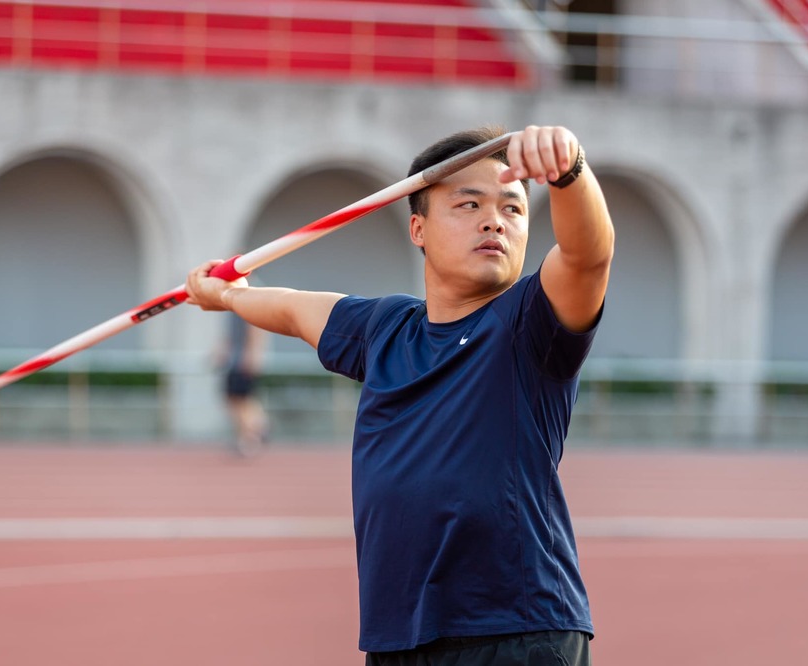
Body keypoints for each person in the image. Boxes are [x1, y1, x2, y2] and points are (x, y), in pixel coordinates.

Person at [186, 125, 614, 665]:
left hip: (517, 631)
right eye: (469, 203)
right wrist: (224, 294)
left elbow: (587, 258)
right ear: (418, 227)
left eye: (513, 208)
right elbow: (294, 308)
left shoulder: (530, 322)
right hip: (399, 637)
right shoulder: (385, 328)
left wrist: (570, 171)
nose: (494, 220)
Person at [218, 310, 269, 456]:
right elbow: (229, 336)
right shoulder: (231, 303)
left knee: (242, 400)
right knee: (236, 399)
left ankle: (250, 438)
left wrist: (252, 355)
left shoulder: (248, 299)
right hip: (234, 361)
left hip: (242, 361)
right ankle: (258, 427)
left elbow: (256, 329)